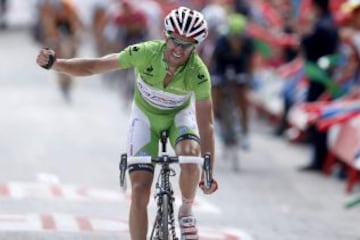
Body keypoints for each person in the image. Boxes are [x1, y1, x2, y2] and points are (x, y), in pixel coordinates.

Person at [36, 6, 218, 240]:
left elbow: (207, 124)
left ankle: (186, 210)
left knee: (192, 158)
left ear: (196, 46)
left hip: (178, 118)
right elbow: (95, 65)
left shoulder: (199, 72)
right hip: (144, 119)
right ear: (165, 35)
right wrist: (56, 64)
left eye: (186, 45)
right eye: (174, 41)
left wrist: (208, 170)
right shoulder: (145, 52)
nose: (178, 50)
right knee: (140, 191)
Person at [297, 0, 339, 171]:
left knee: (317, 118)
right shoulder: (329, 23)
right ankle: (318, 158)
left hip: (321, 79)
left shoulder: (321, 26)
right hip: (323, 76)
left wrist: (306, 30)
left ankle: (318, 160)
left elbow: (307, 44)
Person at [211, 13, 255, 152]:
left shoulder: (248, 42)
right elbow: (214, 62)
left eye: (239, 38)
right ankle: (217, 118)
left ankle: (244, 129)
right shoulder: (221, 41)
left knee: (242, 94)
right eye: (233, 38)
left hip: (239, 66)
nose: (236, 41)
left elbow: (250, 63)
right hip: (222, 66)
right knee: (216, 89)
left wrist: (249, 79)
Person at [36, 0, 82, 103]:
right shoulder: (49, 10)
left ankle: (69, 80)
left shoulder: (69, 7)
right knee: (57, 52)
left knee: (71, 52)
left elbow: (75, 25)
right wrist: (52, 42)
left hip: (69, 27)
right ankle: (61, 79)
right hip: (56, 27)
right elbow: (48, 27)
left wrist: (75, 40)